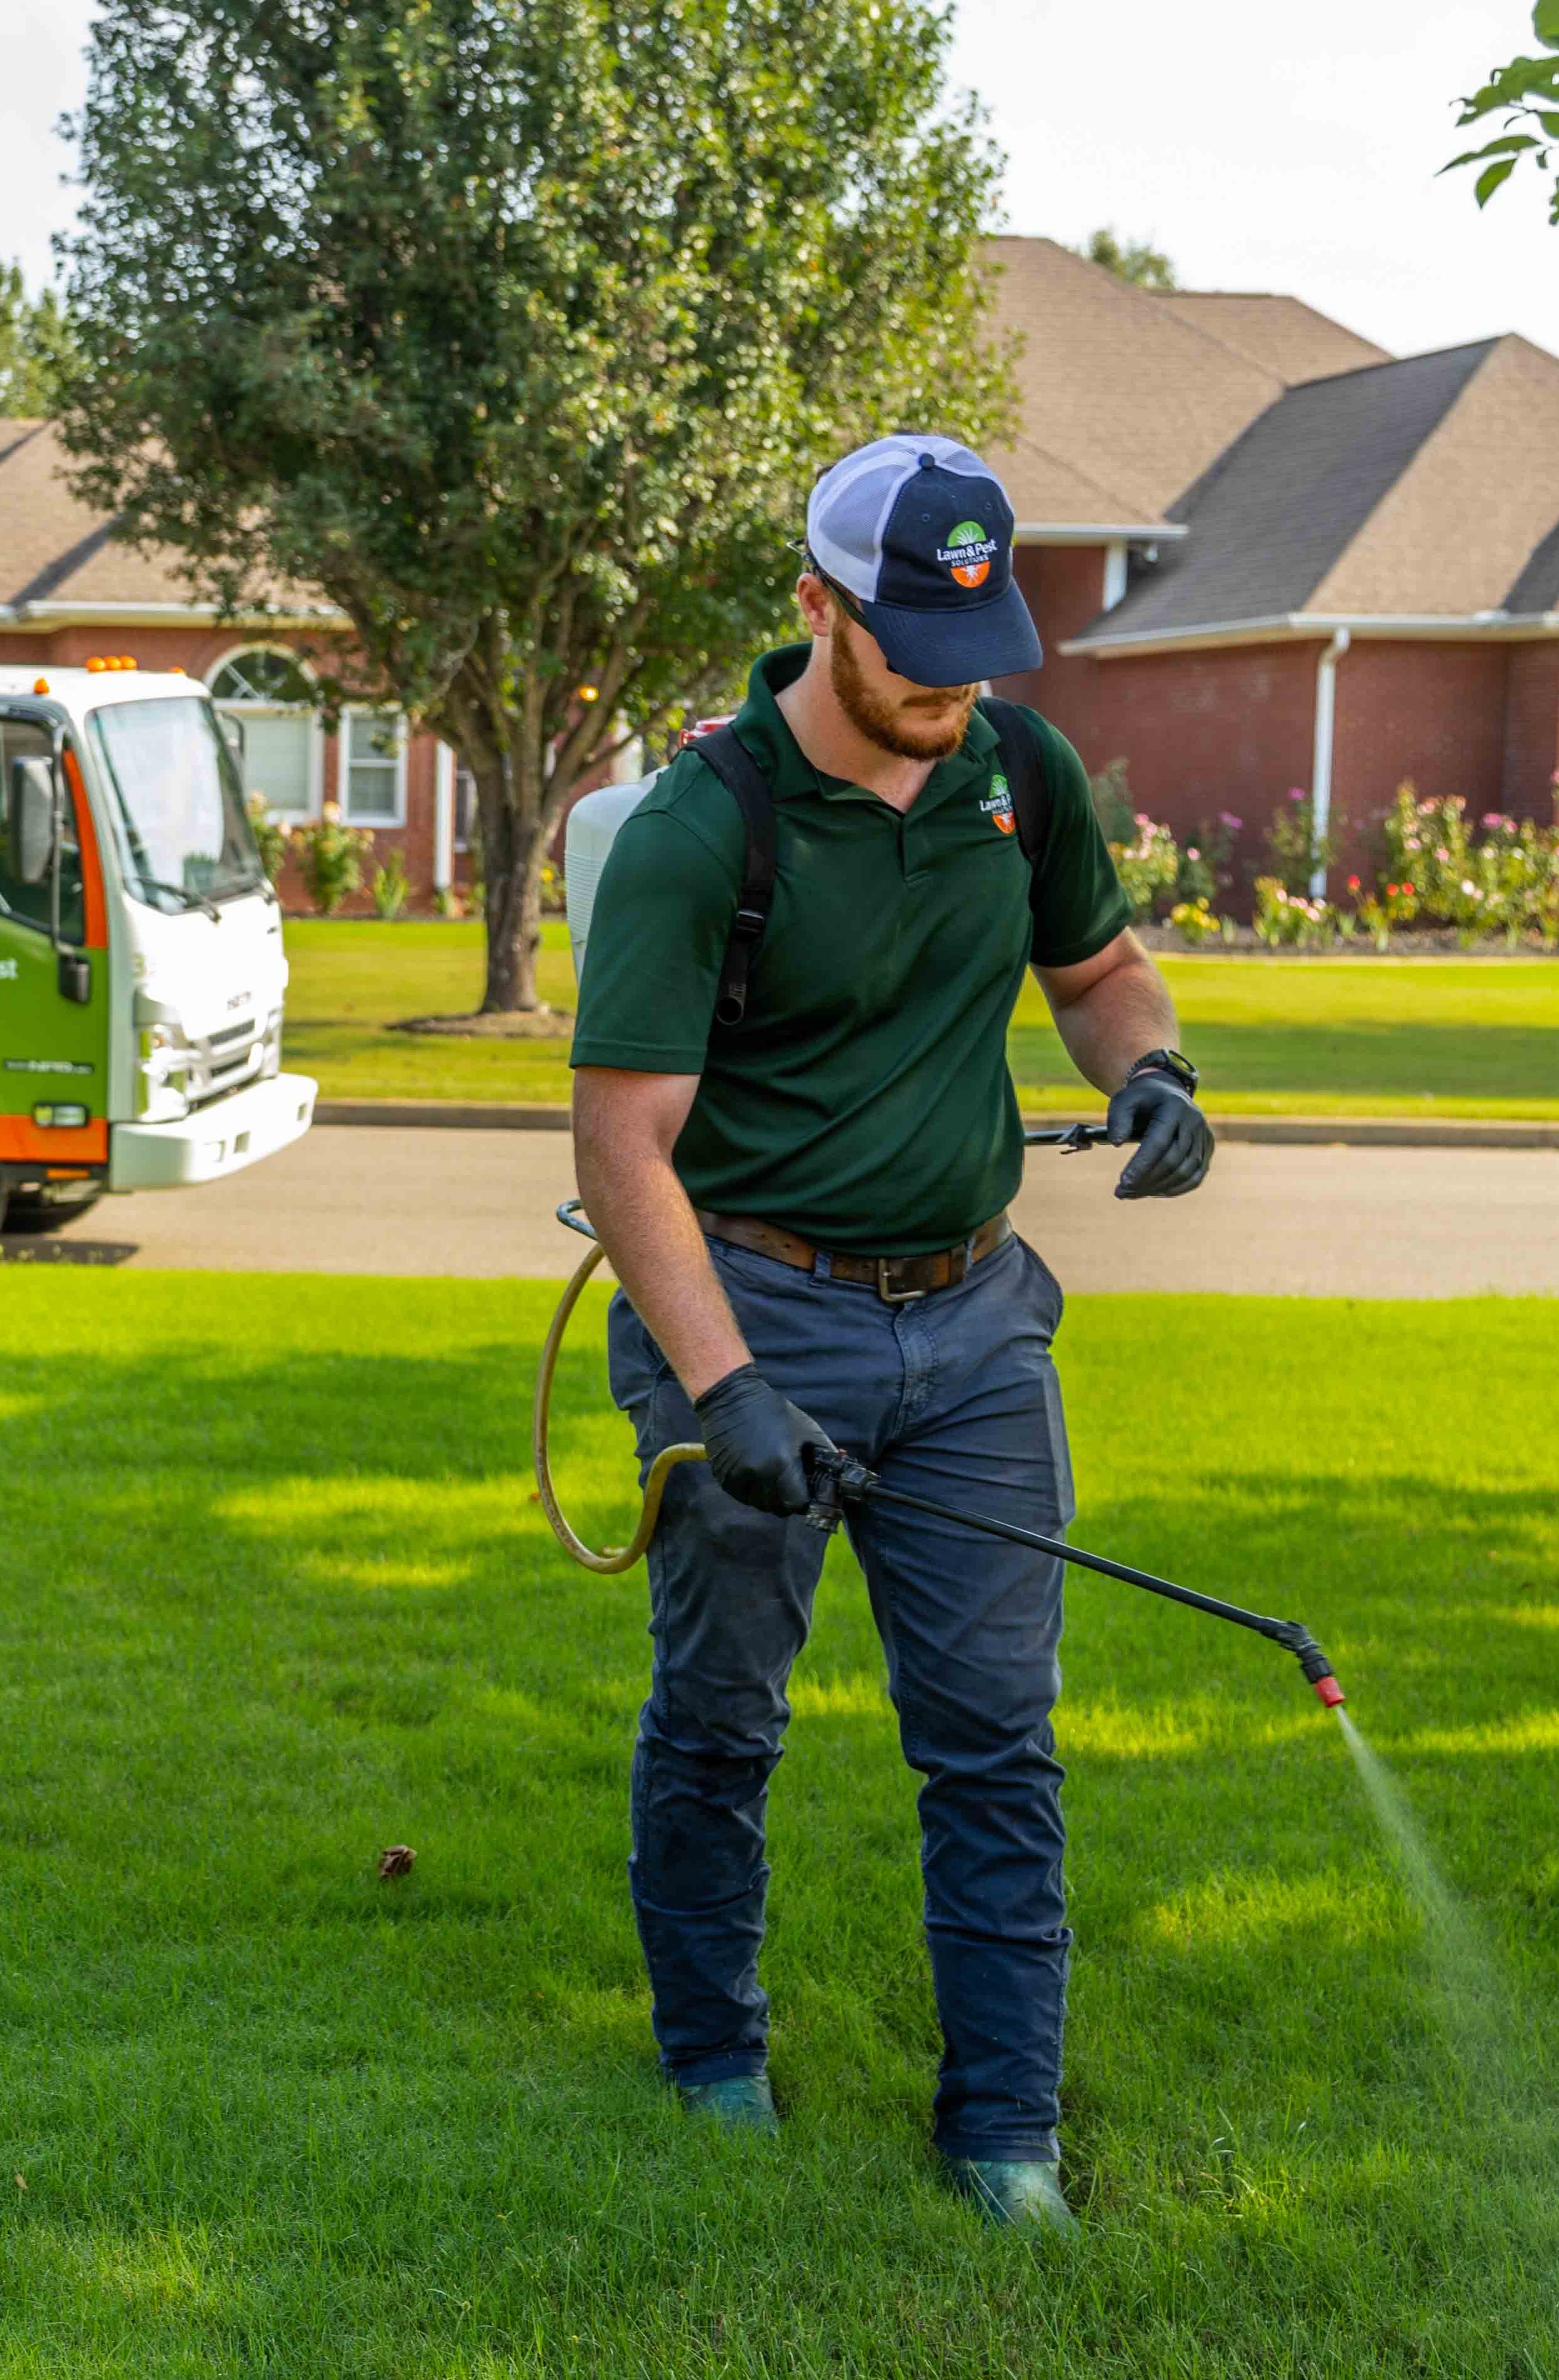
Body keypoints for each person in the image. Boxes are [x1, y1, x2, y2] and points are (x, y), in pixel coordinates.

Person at [566, 433, 1213, 2231]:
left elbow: (1096, 974)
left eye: (981, 641)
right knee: (720, 1723)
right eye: (915, 645)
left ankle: (1005, 2139)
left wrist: (1150, 1069)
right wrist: (728, 1384)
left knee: (998, 1736)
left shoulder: (1021, 767)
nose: (954, 683)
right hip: (754, 1307)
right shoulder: (711, 828)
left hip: (980, 1322)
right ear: (818, 609)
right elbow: (622, 1145)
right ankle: (713, 2067)